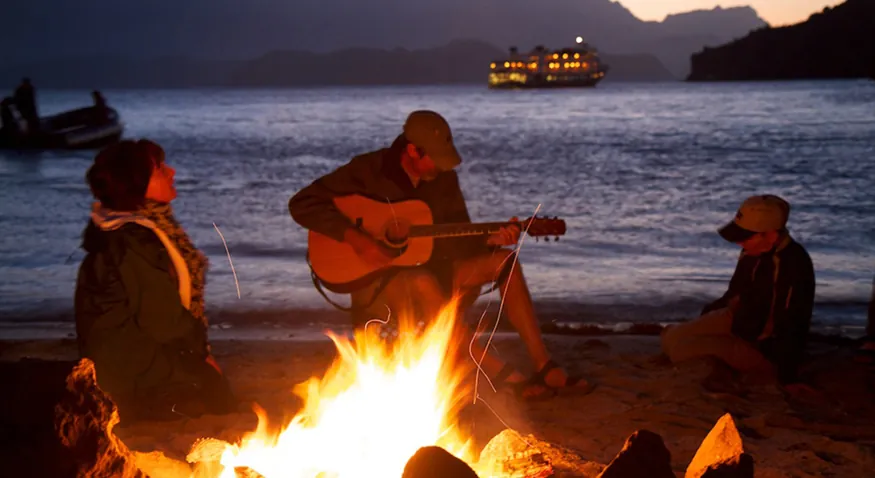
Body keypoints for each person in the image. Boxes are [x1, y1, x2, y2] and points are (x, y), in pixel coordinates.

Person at [288, 110, 593, 399]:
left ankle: (544, 365)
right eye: (435, 159)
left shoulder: (444, 179)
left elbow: (457, 239)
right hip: (377, 284)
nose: (442, 166)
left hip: (433, 271)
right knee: (421, 280)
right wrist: (355, 238)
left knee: (504, 261)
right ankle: (492, 369)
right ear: (412, 151)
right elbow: (302, 203)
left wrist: (491, 240)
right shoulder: (368, 170)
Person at [75, 139, 237, 421]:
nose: (171, 172)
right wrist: (202, 356)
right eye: (160, 169)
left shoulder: (128, 230)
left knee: (215, 387)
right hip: (129, 370)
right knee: (217, 394)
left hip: (127, 358)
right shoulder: (131, 241)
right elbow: (162, 320)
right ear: (136, 183)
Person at [661, 194, 816, 395]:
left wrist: (787, 376)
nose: (739, 243)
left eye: (745, 237)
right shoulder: (752, 251)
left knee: (680, 349)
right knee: (669, 338)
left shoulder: (793, 264)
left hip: (760, 343)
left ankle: (739, 365)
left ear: (769, 235)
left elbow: (793, 323)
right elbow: (735, 291)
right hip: (737, 318)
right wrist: (708, 318)